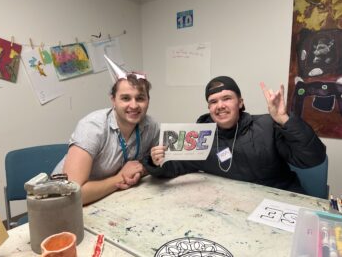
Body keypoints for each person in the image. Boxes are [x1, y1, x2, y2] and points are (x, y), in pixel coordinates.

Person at [146, 76, 326, 193]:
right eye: (213, 101)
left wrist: (284, 119)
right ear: (209, 108)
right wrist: (156, 161)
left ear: (240, 103)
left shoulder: (268, 126)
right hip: (235, 205)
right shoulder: (201, 136)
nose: (220, 105)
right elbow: (177, 166)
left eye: (227, 98)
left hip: (280, 201)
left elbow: (313, 158)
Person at [53, 73, 159, 205]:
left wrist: (141, 170)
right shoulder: (92, 127)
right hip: (60, 203)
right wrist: (120, 178)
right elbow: (72, 194)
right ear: (113, 100)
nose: (134, 105)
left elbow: (153, 163)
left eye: (140, 98)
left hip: (109, 198)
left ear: (148, 100)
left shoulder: (151, 126)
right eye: (125, 98)